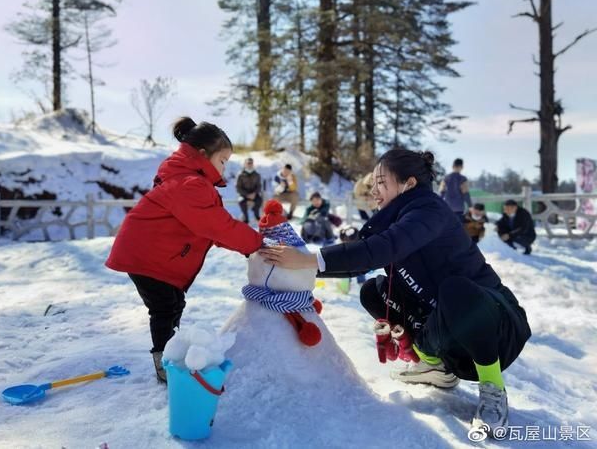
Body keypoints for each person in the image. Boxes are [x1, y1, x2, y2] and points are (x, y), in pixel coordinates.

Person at [258, 148, 531, 438]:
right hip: (446, 324)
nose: (374, 190)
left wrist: (309, 261)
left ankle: (492, 387)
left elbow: (382, 249)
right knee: (373, 291)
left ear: (408, 185)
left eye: (381, 182)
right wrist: (304, 266)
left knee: (457, 290)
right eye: (373, 183)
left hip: (496, 327)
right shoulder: (397, 217)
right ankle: (437, 366)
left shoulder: (429, 211)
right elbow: (367, 258)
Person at [105, 117, 263, 383]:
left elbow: (212, 229)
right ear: (203, 155)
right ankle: (166, 365)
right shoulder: (190, 184)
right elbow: (218, 226)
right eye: (222, 161)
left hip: (153, 255)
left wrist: (247, 247)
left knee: (173, 303)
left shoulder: (189, 181)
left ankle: (172, 355)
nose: (224, 169)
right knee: (165, 307)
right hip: (146, 255)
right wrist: (257, 244)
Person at [236, 157, 263, 223]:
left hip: (254, 194)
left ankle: (256, 214)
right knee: (241, 202)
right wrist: (247, 194)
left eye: (251, 163)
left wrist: (254, 193)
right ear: (245, 164)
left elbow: (259, 186)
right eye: (248, 163)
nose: (249, 164)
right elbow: (238, 187)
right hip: (244, 195)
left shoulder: (257, 175)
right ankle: (246, 218)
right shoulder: (240, 175)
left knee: (259, 200)